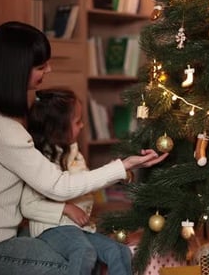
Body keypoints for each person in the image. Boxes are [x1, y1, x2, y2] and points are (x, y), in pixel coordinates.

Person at [0, 21, 168, 275]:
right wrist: (124, 165)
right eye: (40, 66)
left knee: (83, 251)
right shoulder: (5, 129)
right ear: (15, 71)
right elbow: (59, 186)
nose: (49, 69)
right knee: (71, 265)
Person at [21, 88, 132, 275]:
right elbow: (28, 205)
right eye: (77, 121)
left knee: (119, 251)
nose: (82, 126)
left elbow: (86, 182)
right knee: (84, 251)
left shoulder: (75, 152)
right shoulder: (41, 160)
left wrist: (116, 172)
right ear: (58, 128)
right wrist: (66, 208)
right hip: (53, 228)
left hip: (81, 228)